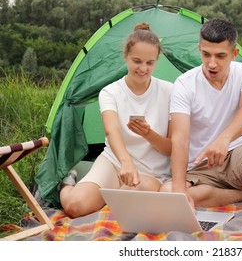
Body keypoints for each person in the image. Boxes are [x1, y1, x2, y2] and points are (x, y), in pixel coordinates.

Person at [160, 18, 242, 208]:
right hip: (199, 167)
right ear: (199, 48)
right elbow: (179, 138)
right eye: (206, 54)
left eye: (220, 56)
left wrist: (224, 139)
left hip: (236, 156)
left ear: (234, 54)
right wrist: (179, 189)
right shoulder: (184, 84)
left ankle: (226, 193)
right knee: (168, 193)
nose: (212, 64)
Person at [59, 22, 173, 218]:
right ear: (125, 56)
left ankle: (110, 197)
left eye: (150, 62)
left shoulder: (170, 91)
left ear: (157, 60)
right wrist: (125, 162)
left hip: (150, 173)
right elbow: (112, 131)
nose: (143, 68)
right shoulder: (110, 92)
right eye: (137, 61)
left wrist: (148, 134)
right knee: (74, 207)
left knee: (126, 203)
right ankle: (68, 182)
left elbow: (171, 148)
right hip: (114, 163)